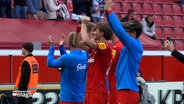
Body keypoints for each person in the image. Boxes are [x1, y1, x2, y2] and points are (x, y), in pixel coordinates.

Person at [105, 0, 144, 103]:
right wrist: (107, 14)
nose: (124, 35)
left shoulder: (135, 46)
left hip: (127, 91)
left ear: (133, 33)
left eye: (126, 32)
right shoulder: (131, 46)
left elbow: (119, 31)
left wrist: (109, 11)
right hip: (125, 89)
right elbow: (117, 29)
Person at [47, 33, 88, 104]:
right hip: (80, 99)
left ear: (69, 43)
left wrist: (51, 47)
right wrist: (61, 48)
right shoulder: (85, 56)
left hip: (66, 99)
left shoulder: (68, 58)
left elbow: (50, 63)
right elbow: (70, 62)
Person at [80, 16, 113, 104]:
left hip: (98, 91)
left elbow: (85, 41)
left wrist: (84, 24)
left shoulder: (106, 47)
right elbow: (79, 43)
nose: (93, 33)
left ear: (102, 33)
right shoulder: (95, 50)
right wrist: (79, 28)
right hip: (90, 89)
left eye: (95, 31)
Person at [106, 33, 123, 104]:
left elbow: (109, 64)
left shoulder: (117, 46)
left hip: (114, 81)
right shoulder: (117, 45)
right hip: (114, 81)